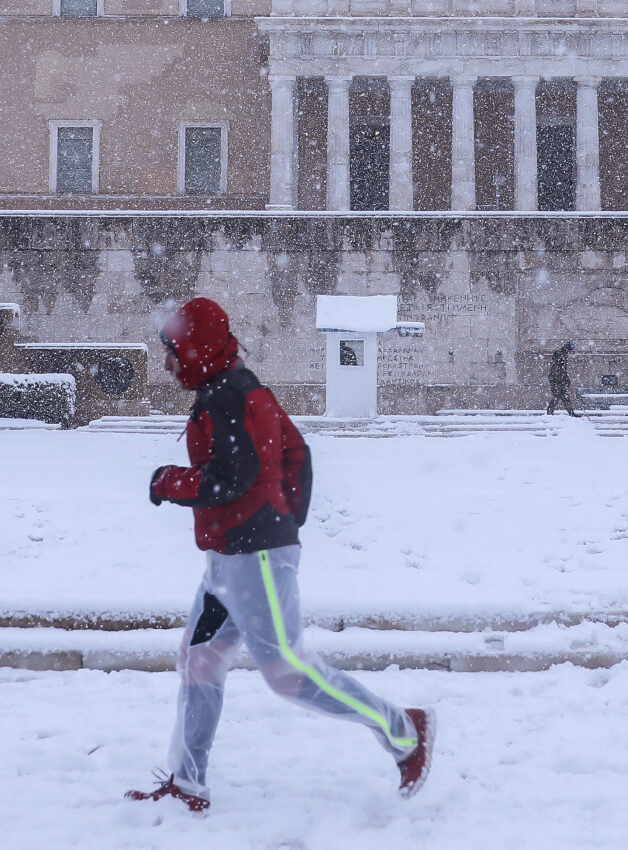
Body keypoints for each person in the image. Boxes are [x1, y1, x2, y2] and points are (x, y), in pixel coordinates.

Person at [127, 296, 434, 814]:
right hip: (230, 555)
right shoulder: (224, 390)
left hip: (256, 554)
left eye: (172, 353)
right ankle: (187, 784)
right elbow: (297, 452)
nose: (167, 365)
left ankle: (405, 731)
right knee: (199, 661)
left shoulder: (234, 394)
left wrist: (171, 484)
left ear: (195, 349)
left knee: (288, 672)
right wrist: (285, 517)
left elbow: (235, 478)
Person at [545, 340, 580, 416]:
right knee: (557, 396)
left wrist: (566, 379)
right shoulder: (560, 355)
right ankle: (549, 412)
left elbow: (563, 371)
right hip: (556, 380)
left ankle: (571, 412)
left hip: (560, 380)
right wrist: (562, 379)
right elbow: (558, 370)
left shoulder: (563, 355)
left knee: (565, 397)